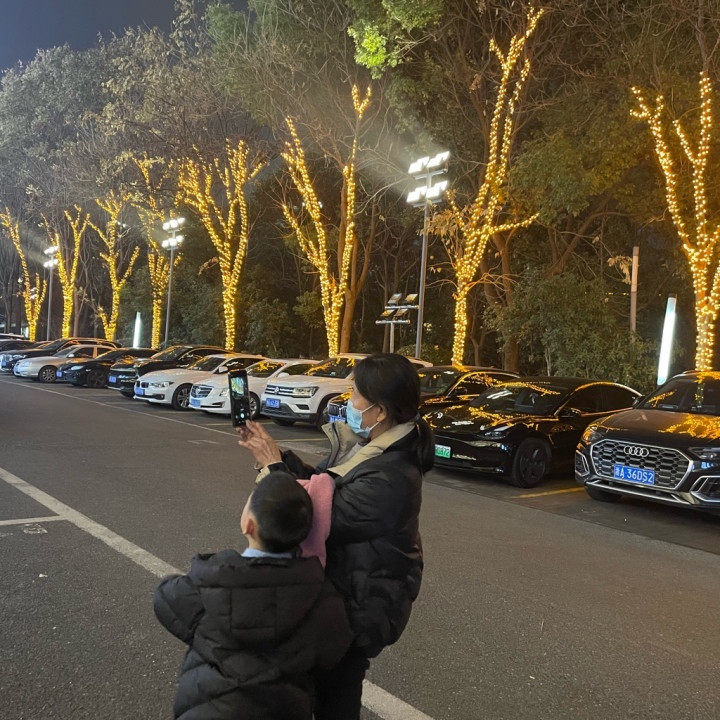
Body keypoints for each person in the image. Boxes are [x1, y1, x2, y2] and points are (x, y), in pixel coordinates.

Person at [237, 352, 433, 719]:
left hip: (358, 607)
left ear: (380, 410)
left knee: (336, 698)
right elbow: (324, 485)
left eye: (356, 394)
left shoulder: (392, 475)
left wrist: (272, 468)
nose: (349, 401)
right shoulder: (374, 447)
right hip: (343, 595)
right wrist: (279, 457)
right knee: (318, 693)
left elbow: (313, 517)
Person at [153, 471, 353, 720]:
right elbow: (334, 648)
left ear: (248, 525)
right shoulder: (324, 599)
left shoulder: (210, 581)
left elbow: (165, 597)